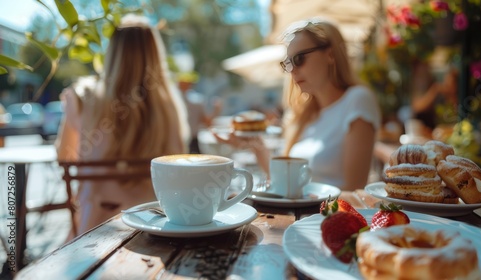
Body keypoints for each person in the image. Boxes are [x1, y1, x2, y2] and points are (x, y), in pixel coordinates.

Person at [55, 14, 190, 237]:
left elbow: (65, 159)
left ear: (112, 54)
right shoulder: (170, 108)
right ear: (156, 55)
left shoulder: (81, 97)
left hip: (94, 225)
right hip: (157, 224)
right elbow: (178, 168)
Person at [214, 18, 381, 191]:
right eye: (288, 63)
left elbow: (353, 191)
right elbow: (285, 184)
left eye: (299, 59)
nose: (292, 70)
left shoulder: (357, 99)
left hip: (331, 217)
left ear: (330, 54)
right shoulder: (305, 114)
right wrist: (255, 145)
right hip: (302, 216)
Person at [411, 65, 459, 137]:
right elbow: (417, 108)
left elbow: (462, 127)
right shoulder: (441, 99)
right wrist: (435, 90)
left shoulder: (460, 102)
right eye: (445, 81)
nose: (446, 84)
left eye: (450, 82)